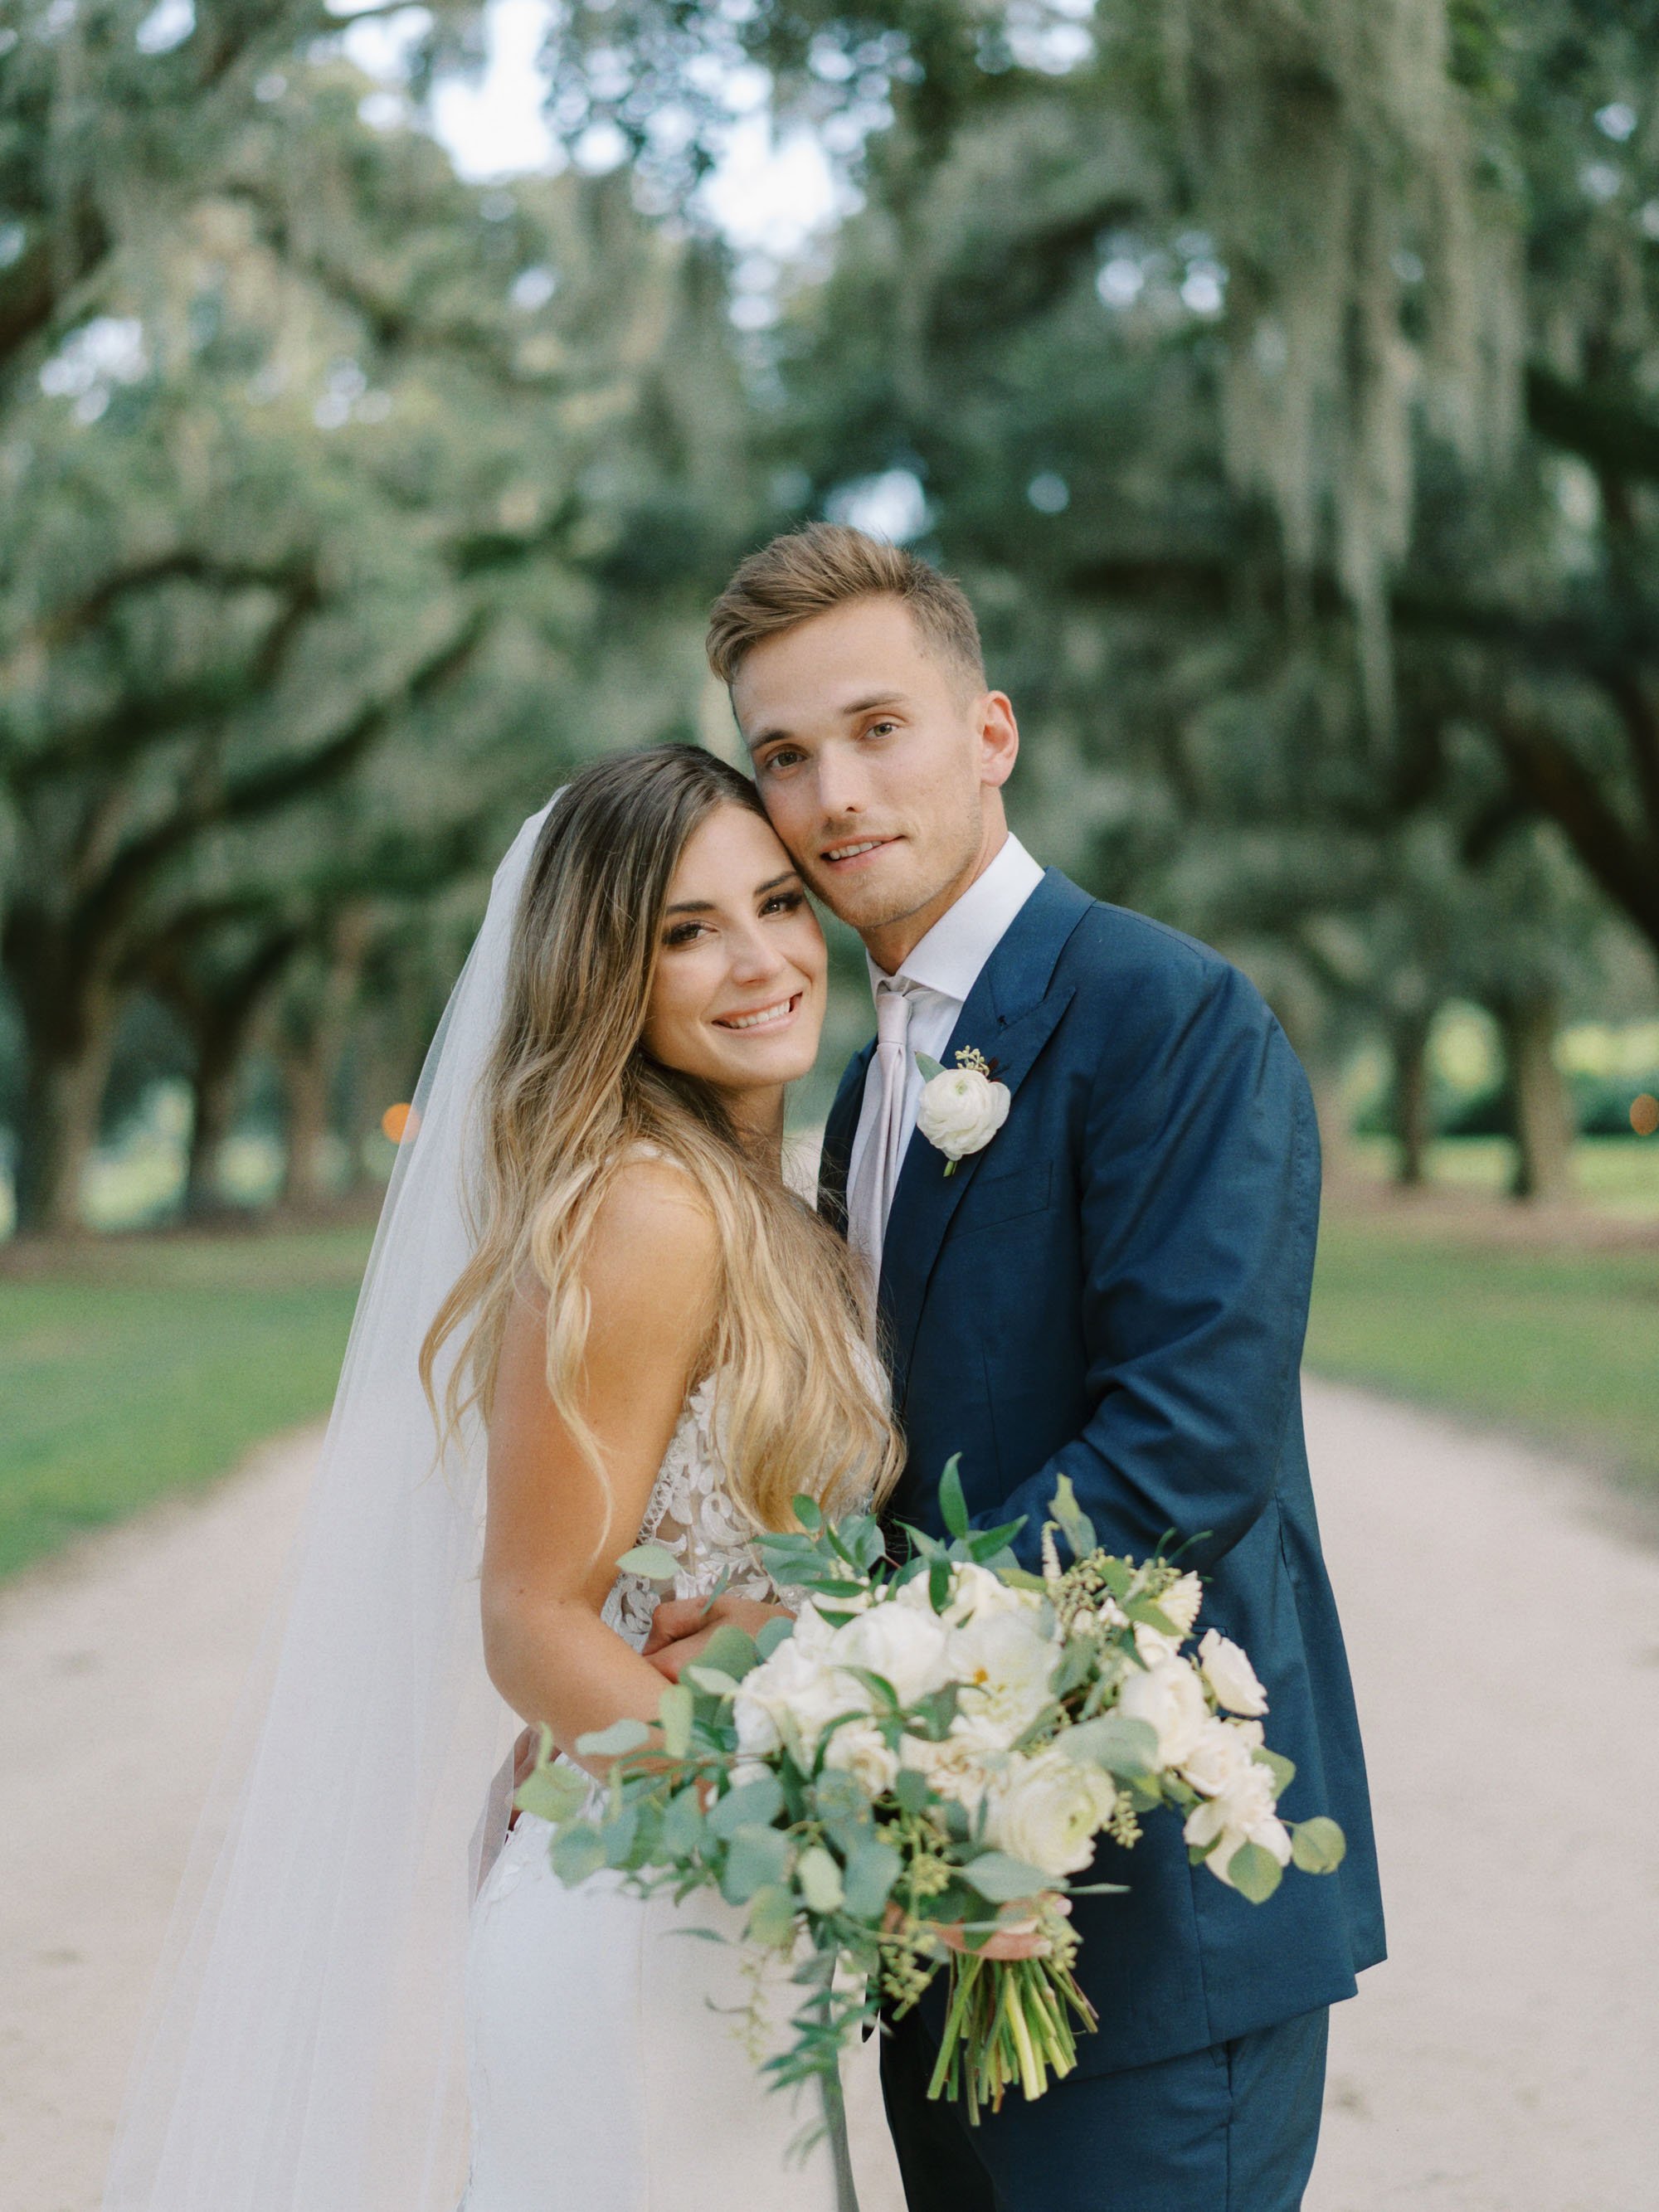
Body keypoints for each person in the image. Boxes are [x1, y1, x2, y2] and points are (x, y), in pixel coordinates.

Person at [645, 523, 1386, 2212]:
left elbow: (1182, 1454)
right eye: (783, 753)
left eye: (875, 727)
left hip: (1148, 1903)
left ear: (991, 732)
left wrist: (828, 1648)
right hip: (942, 1896)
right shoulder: (868, 1076)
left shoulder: (1167, 1016)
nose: (831, 788)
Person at [100, 746, 905, 2212]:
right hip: (654, 1915)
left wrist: (801, 1658)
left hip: (728, 1913)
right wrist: (811, 1809)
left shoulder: (769, 1208)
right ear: (610, 975)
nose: (761, 960)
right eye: (685, 931)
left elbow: (771, 1560)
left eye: (778, 903)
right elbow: (534, 1618)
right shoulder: (648, 1214)